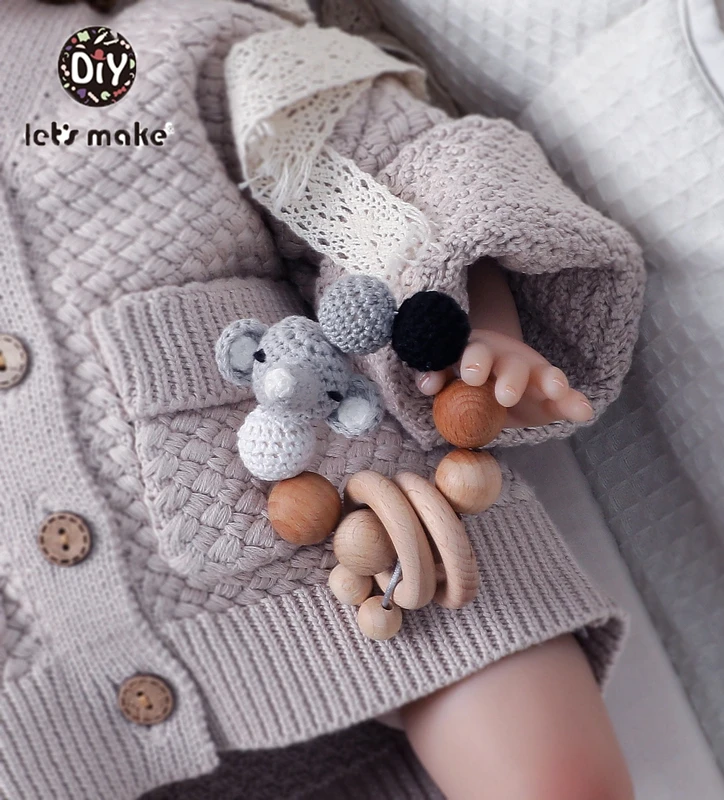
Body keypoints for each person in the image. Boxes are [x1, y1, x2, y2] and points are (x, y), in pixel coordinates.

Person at [0, 0, 643, 796]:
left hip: (365, 545)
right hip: (35, 705)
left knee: (560, 778)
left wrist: (465, 324)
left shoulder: (168, 53)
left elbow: (389, 171)